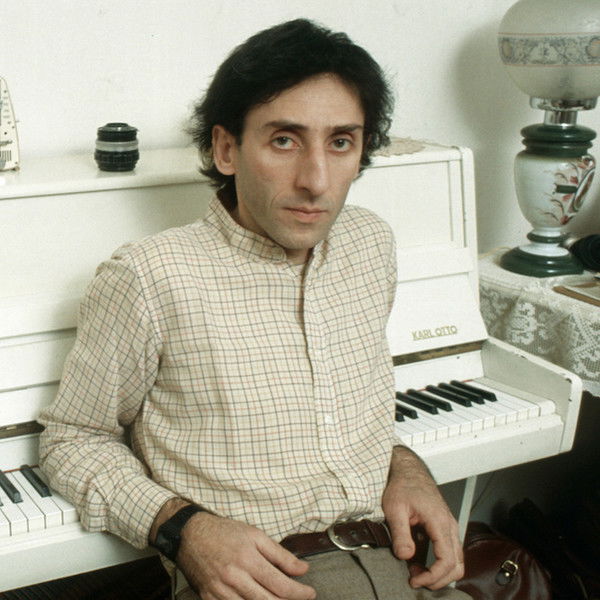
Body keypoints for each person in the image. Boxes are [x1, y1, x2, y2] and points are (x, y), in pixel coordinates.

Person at [39, 19, 470, 600]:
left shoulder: (370, 243)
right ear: (226, 149)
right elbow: (72, 439)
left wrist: (406, 468)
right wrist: (183, 530)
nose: (317, 181)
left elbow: (347, 415)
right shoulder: (148, 276)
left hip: (406, 564)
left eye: (341, 142)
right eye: (284, 140)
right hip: (270, 581)